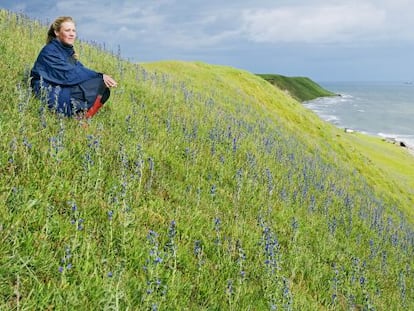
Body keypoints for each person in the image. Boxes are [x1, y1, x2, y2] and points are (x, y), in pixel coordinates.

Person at [30, 16, 118, 118]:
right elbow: (68, 75)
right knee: (98, 82)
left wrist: (99, 76)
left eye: (73, 31)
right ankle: (74, 115)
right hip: (50, 92)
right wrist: (99, 75)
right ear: (57, 32)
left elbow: (80, 70)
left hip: (63, 87)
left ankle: (83, 118)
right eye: (67, 30)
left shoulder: (66, 51)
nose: (72, 34)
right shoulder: (50, 51)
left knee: (104, 89)